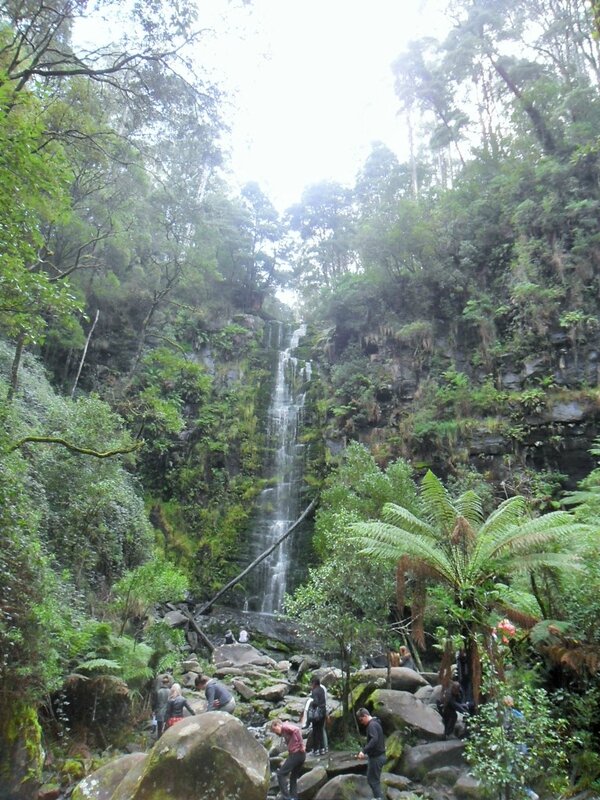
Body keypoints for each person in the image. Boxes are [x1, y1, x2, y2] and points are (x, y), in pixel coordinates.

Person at [503, 696, 539, 800]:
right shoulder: (518, 714)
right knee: (523, 769)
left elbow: (505, 730)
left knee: (514, 770)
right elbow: (528, 729)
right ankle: (528, 791)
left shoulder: (505, 716)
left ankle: (525, 792)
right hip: (522, 744)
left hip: (513, 746)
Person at [270, 718, 306, 800]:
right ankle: (294, 797)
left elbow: (296, 730)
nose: (275, 733)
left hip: (297, 754)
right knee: (293, 777)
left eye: (275, 730)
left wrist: (301, 745)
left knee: (280, 774)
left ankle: (286, 797)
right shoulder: (284, 731)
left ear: (278, 725)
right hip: (300, 755)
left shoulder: (285, 727)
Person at [356, 707, 386, 800]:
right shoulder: (376, 723)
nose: (361, 723)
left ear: (365, 716)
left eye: (361, 720)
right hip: (377, 757)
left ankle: (378, 798)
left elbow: (374, 739)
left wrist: (363, 751)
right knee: (370, 778)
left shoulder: (372, 725)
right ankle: (377, 797)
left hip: (377, 758)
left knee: (374, 781)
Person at [308, 676, 327, 756]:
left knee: (315, 731)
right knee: (320, 730)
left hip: (317, 714)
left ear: (314, 683)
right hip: (323, 711)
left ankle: (316, 750)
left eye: (311, 683)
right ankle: (322, 748)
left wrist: (311, 704)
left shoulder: (315, 691)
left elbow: (316, 702)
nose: (311, 685)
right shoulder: (322, 689)